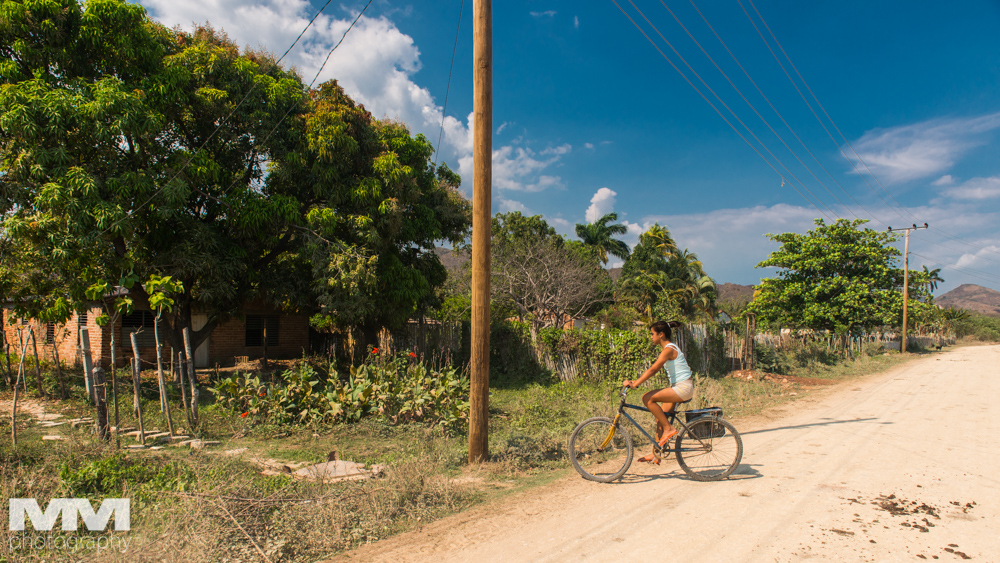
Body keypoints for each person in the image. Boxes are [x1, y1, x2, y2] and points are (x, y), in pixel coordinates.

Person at [622, 320, 694, 464]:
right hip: (679, 387)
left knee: (647, 398)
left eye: (652, 334)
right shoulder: (668, 348)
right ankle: (656, 453)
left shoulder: (668, 349)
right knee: (660, 417)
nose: (650, 337)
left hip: (682, 388)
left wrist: (635, 383)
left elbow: (653, 369)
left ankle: (669, 429)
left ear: (661, 334)